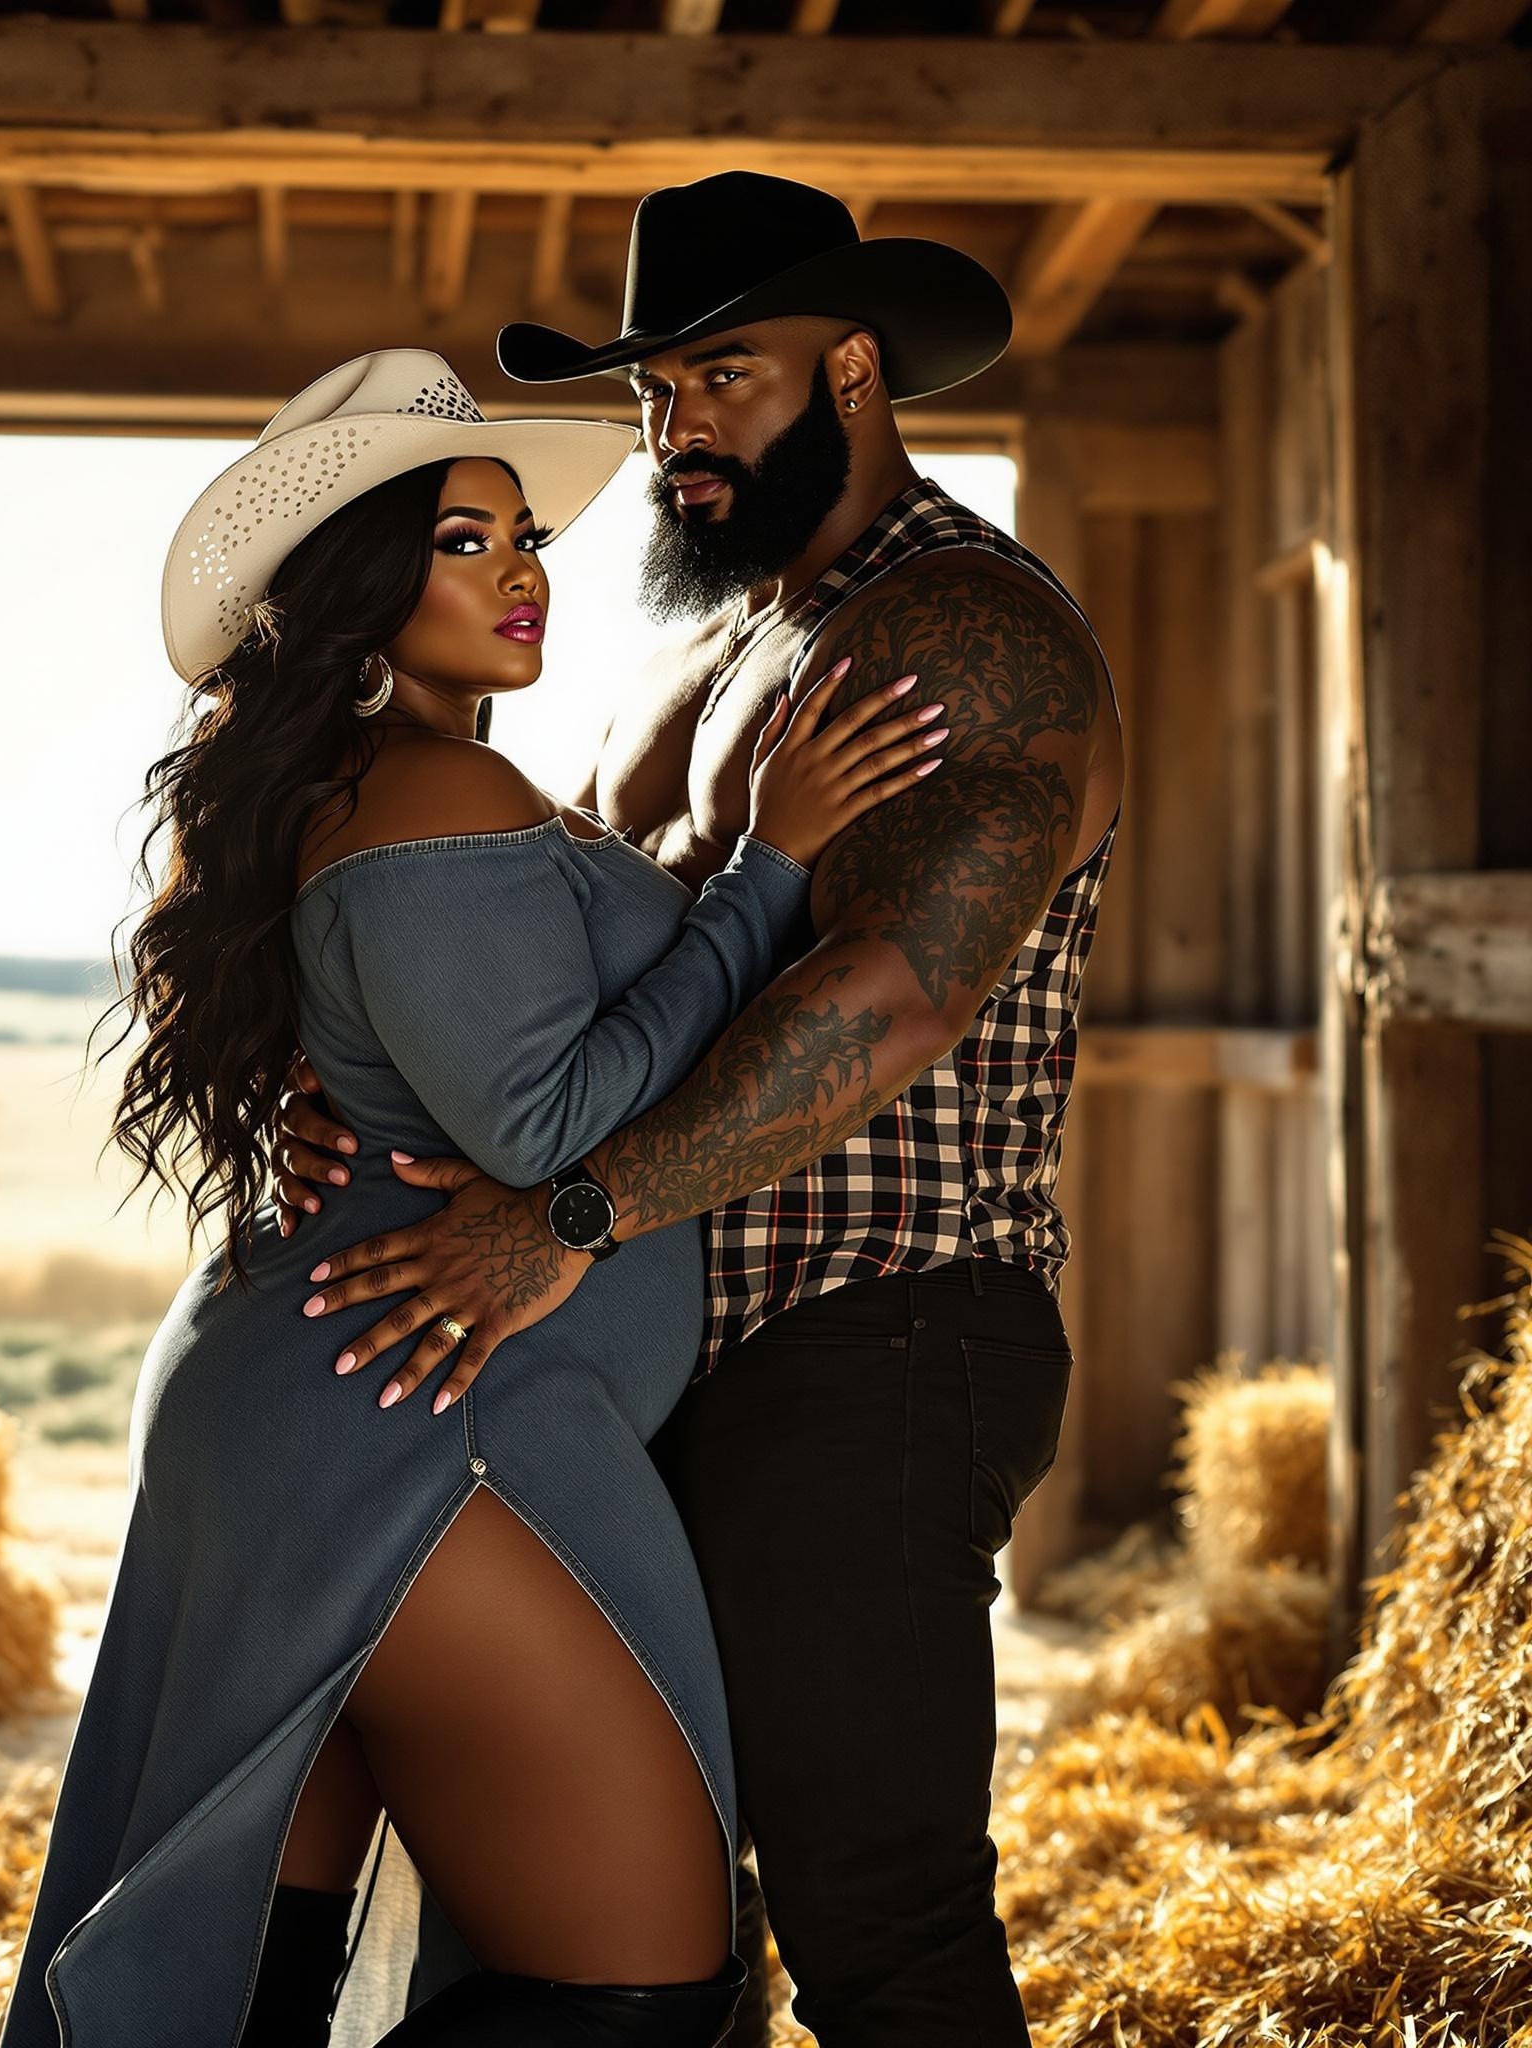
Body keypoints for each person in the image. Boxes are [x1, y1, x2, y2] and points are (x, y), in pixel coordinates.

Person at [0, 347, 939, 2048]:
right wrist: (767, 871)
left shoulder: (400, 789)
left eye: (525, 538)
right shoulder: (432, 789)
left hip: (366, 1403)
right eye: (463, 539)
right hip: (428, 1420)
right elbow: (545, 1120)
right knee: (640, 1981)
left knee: (248, 1988)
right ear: (359, 588)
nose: (520, 571)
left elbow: (445, 1045)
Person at [272, 174, 1127, 2047]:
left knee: (875, 1908)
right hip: (648, 1356)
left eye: (719, 382)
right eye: (656, 396)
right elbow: (535, 977)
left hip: (870, 1329)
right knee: (637, 1909)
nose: (677, 436)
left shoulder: (965, 635)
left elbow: (890, 998)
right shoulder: (719, 646)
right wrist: (323, 1097)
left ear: (850, 369)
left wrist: (563, 1219)